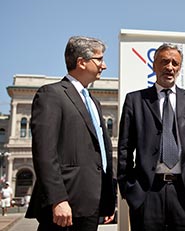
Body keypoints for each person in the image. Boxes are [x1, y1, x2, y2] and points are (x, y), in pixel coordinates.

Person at [117, 43, 185, 231]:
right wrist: (130, 188)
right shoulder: (135, 100)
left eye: (175, 63)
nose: (170, 67)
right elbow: (125, 149)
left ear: (179, 68)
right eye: (164, 62)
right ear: (154, 65)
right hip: (147, 192)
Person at [25, 36, 116, 231]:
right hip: (66, 203)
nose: (104, 65)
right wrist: (58, 199)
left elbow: (101, 152)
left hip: (91, 203)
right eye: (99, 59)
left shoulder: (93, 102)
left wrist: (108, 199)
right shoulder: (51, 95)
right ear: (81, 62)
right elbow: (45, 153)